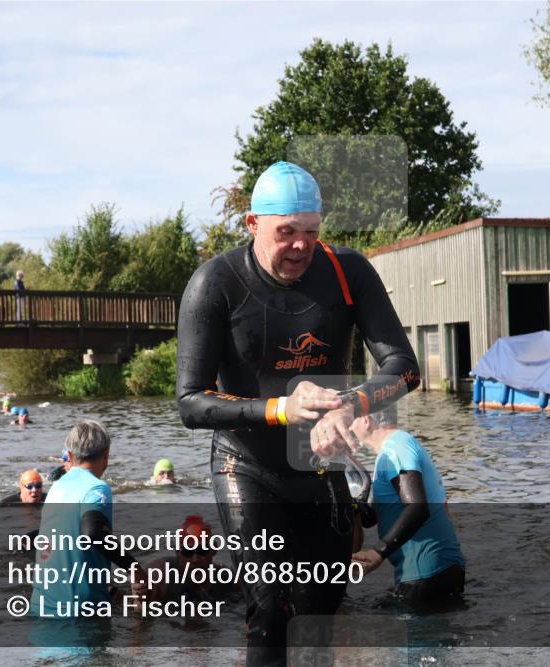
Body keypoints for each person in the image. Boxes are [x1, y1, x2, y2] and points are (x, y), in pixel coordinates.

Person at [176, 161, 420, 665]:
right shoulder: (215, 283)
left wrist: (349, 406)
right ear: (252, 225)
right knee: (268, 610)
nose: (300, 246)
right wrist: (280, 409)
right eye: (285, 232)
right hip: (246, 465)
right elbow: (191, 403)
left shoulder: (347, 271)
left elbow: (404, 368)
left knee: (319, 613)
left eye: (310, 232)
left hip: (321, 468)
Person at [29, 420, 148, 617]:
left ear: (70, 455)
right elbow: (93, 531)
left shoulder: (56, 488)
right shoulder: (97, 488)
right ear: (106, 455)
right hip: (79, 615)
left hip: (41, 607)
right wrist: (134, 568)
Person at [349, 405, 465, 606]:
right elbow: (373, 517)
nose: (349, 427)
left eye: (351, 419)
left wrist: (377, 552)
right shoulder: (392, 450)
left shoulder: (396, 448)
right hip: (435, 569)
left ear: (366, 420)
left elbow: (417, 507)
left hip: (426, 573)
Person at [142, 515, 238, 603]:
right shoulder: (158, 575)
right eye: (187, 552)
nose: (195, 559)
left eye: (202, 550)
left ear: (214, 549)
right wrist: (139, 600)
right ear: (178, 552)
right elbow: (137, 612)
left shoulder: (229, 579)